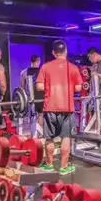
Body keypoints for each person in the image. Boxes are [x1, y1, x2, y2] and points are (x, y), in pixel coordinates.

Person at [36, 40, 82, 173]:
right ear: (66, 51)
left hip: (50, 107)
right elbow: (78, 88)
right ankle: (64, 167)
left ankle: (49, 165)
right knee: (66, 137)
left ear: (53, 53)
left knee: (49, 138)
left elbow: (39, 86)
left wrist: (51, 86)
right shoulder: (73, 68)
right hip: (67, 108)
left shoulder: (45, 67)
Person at [20, 55, 43, 137]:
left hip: (31, 97)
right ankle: (39, 134)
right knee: (40, 115)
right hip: (41, 97)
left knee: (32, 115)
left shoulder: (24, 72)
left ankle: (34, 134)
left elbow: (22, 88)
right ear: (38, 61)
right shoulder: (42, 71)